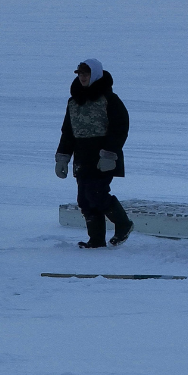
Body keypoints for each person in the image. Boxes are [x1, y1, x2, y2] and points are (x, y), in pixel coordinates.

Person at [54, 58, 133, 249]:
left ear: (95, 75)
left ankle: (123, 224)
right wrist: (62, 158)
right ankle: (96, 240)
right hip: (82, 156)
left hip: (103, 156)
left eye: (86, 74)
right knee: (84, 199)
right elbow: (68, 133)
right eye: (80, 74)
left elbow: (120, 127)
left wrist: (109, 154)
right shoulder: (73, 102)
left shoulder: (109, 99)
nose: (82, 77)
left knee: (96, 193)